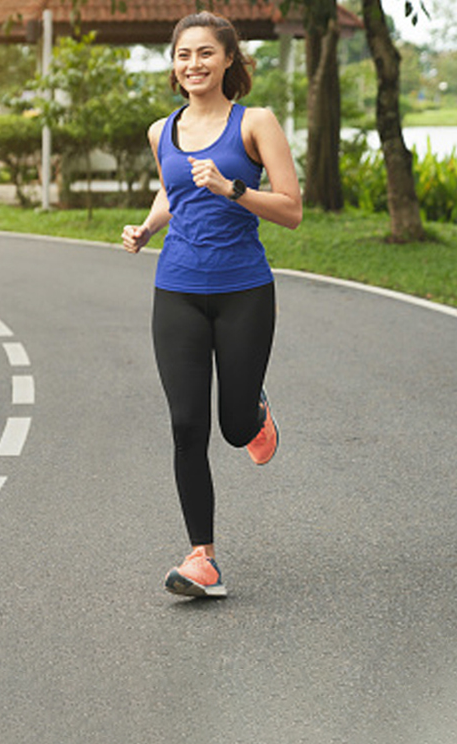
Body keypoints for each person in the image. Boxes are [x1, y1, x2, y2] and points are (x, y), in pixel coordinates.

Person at [120, 11, 302, 598]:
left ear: (229, 60)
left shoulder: (256, 123)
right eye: (182, 55)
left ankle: (254, 414)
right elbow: (171, 189)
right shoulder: (160, 131)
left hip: (244, 290)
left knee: (231, 427)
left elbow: (292, 210)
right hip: (176, 290)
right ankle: (203, 559)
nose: (192, 64)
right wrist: (148, 227)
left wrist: (235, 188)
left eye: (204, 54)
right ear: (173, 66)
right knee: (185, 424)